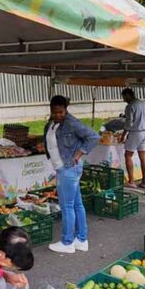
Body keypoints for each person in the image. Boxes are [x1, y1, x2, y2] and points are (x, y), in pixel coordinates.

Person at [42, 96, 99, 255]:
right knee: (76, 204)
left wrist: (80, 152)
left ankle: (67, 242)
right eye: (55, 112)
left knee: (67, 206)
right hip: (64, 168)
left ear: (66, 109)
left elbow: (94, 137)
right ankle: (81, 240)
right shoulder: (52, 124)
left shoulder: (72, 123)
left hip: (69, 168)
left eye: (61, 112)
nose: (58, 115)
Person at [121, 88, 145, 188]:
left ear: (128, 95)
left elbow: (129, 122)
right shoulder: (143, 104)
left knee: (128, 155)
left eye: (124, 97)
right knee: (143, 157)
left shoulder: (130, 106)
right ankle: (144, 182)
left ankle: (131, 181)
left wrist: (123, 135)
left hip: (135, 132)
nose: (123, 99)